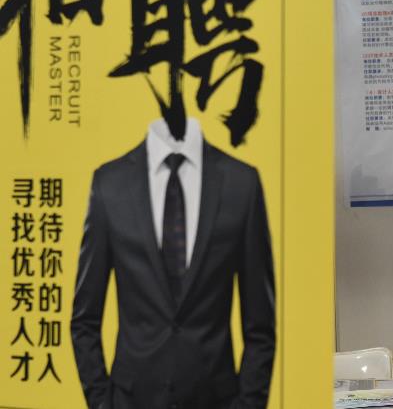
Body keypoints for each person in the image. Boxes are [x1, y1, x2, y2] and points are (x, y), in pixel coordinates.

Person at [71, 118, 275, 409]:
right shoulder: (110, 183)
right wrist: (102, 403)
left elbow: (261, 325)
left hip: (217, 399)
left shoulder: (241, 183)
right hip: (130, 399)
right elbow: (84, 320)